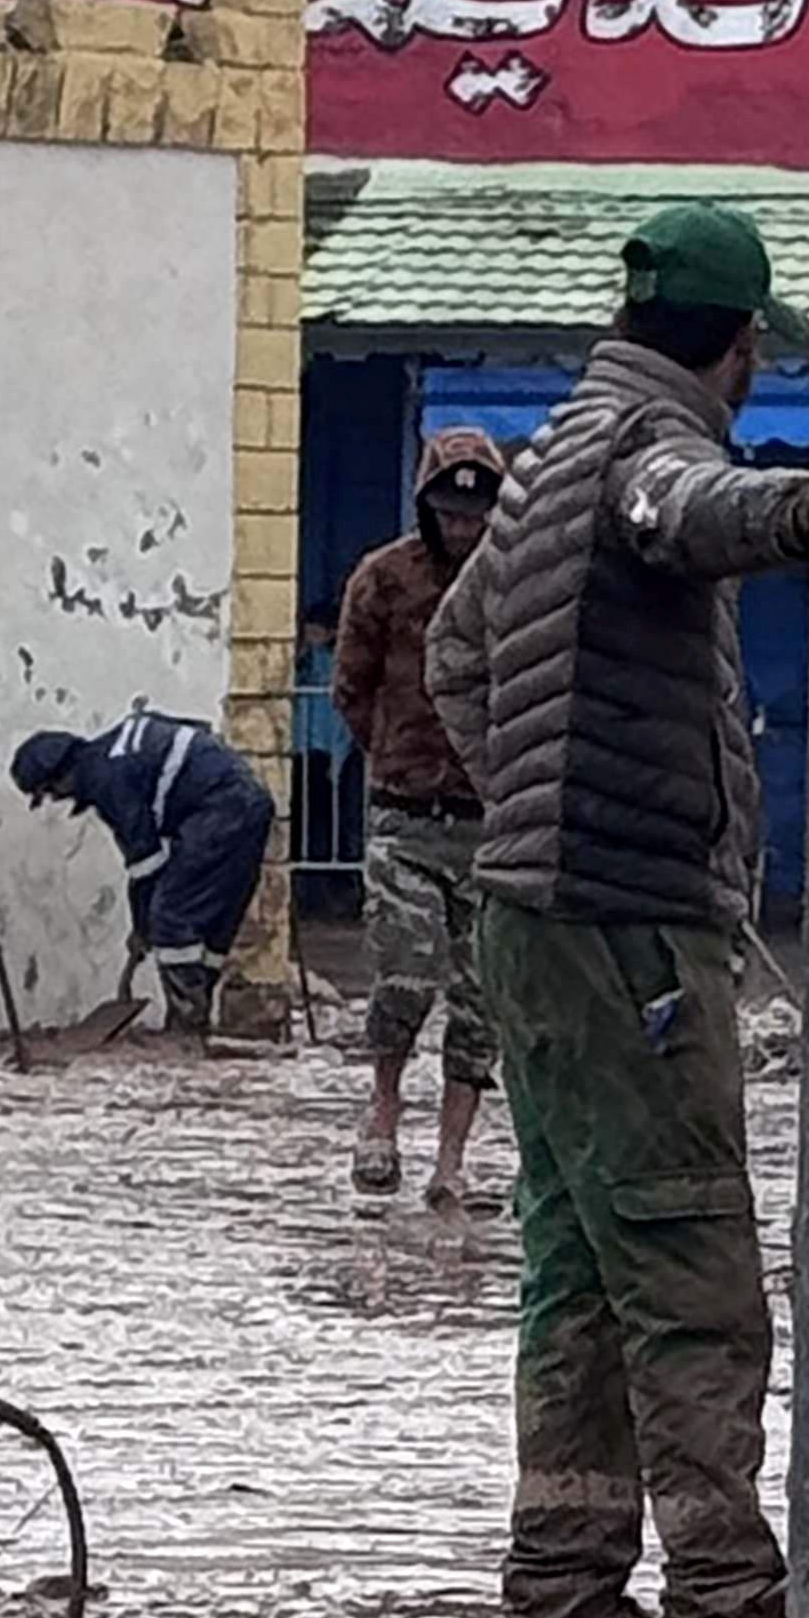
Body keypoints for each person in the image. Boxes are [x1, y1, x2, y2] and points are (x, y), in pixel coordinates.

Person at [434, 199, 809, 1618]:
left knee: (584, 1270)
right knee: (691, 1268)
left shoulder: (545, 453)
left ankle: (563, 1605)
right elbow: (689, 512)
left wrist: (525, 801)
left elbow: (458, 653)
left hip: (534, 921)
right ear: (736, 350)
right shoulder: (644, 454)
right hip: (627, 926)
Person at [332, 440, 500, 1204]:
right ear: (427, 505)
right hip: (405, 814)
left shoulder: (515, 579)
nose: (463, 526)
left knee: (482, 997)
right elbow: (351, 688)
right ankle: (382, 1113)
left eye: (476, 510)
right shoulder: (384, 578)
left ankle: (451, 1161)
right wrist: (398, 756)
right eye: (450, 510)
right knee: (405, 971)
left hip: (492, 822)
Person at [10, 705, 278, 1031]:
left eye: (51, 792)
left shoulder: (106, 778)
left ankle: (186, 1025)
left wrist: (143, 928)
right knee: (210, 922)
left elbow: (146, 864)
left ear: (61, 776)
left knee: (170, 917)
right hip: (248, 803)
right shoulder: (118, 749)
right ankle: (197, 1016)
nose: (58, 800)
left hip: (219, 810)